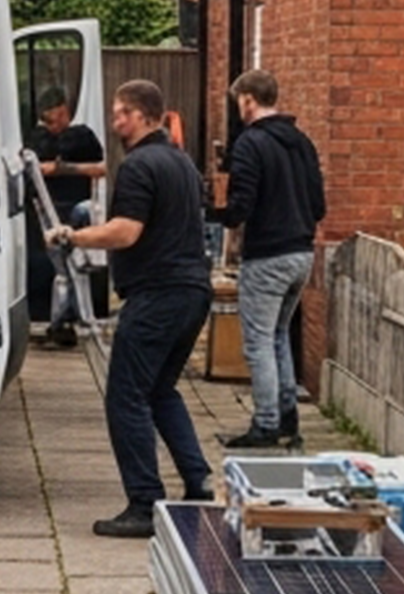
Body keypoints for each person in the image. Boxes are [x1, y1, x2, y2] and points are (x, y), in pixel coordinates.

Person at [49, 78, 212, 536]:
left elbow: (125, 232)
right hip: (191, 293)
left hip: (158, 295)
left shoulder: (140, 166)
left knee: (126, 396)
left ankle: (144, 502)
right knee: (160, 390)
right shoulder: (181, 162)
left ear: (143, 115)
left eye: (121, 113)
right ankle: (199, 483)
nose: (115, 121)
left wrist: (72, 235)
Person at [214, 68, 326, 452]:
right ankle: (287, 418)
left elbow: (241, 205)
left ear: (248, 99)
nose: (238, 109)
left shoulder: (251, 144)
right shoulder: (302, 142)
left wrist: (218, 215)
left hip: (268, 256)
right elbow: (319, 205)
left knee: (258, 341)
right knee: (278, 335)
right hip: (302, 254)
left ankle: (264, 424)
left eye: (238, 102)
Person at [27, 87, 105, 346]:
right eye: (50, 120)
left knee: (72, 266)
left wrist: (60, 168)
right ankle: (64, 321)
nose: (56, 124)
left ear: (67, 112)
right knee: (63, 267)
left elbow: (101, 167)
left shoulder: (82, 137)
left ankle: (65, 321)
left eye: (59, 117)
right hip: (49, 208)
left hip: (75, 206)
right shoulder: (38, 139)